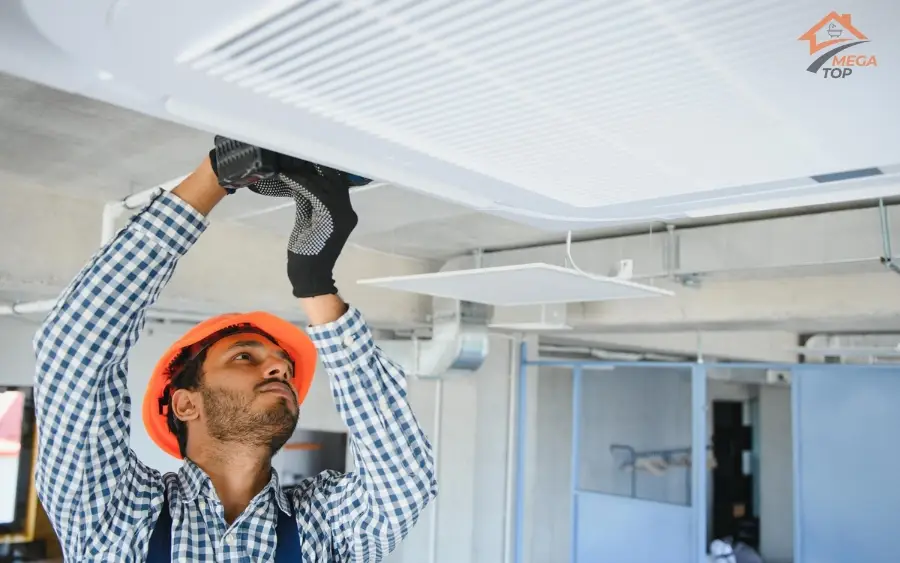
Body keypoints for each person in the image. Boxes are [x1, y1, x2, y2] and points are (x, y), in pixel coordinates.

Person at [31, 138, 438, 562]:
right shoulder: (321, 532)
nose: (281, 370)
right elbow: (406, 483)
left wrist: (215, 177)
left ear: (186, 402)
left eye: (246, 357)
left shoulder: (120, 521)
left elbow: (75, 345)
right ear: (186, 405)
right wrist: (319, 288)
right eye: (251, 358)